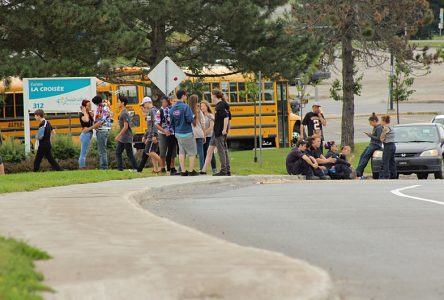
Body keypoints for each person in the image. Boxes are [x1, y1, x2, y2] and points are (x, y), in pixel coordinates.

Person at [169, 90, 198, 176]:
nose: (186, 97)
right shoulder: (186, 107)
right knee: (192, 152)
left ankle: (183, 171)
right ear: (183, 96)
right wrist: (193, 117)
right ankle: (191, 171)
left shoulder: (172, 108)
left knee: (181, 151)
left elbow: (172, 123)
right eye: (185, 96)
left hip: (177, 133)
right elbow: (189, 119)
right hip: (187, 132)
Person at [137, 97, 162, 173]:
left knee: (149, 151)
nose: (144, 106)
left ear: (148, 102)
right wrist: (145, 135)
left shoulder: (153, 111)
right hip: (150, 134)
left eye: (144, 104)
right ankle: (156, 169)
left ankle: (164, 164)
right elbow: (149, 126)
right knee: (152, 152)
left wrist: (154, 135)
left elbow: (155, 123)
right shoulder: (150, 111)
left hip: (153, 135)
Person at [355, 113, 383, 178]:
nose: (370, 124)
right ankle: (360, 171)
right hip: (372, 144)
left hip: (375, 145)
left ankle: (358, 171)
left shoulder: (379, 128)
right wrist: (371, 135)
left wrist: (370, 135)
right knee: (362, 155)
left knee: (365, 157)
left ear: (374, 121)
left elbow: (379, 138)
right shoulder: (375, 127)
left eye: (370, 123)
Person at [114, 95, 138, 171]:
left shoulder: (124, 113)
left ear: (123, 103)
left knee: (129, 153)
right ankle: (121, 169)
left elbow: (126, 126)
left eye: (118, 102)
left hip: (126, 137)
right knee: (118, 152)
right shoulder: (123, 112)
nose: (117, 103)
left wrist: (118, 135)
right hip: (123, 137)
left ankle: (136, 168)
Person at [211, 89, 231, 176]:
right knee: (224, 150)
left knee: (221, 151)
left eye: (211, 95)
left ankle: (223, 170)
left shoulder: (220, 106)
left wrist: (224, 129)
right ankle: (227, 169)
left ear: (215, 96)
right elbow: (228, 118)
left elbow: (226, 117)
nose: (211, 97)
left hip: (219, 131)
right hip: (222, 131)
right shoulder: (224, 105)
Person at [154, 96, 177, 173]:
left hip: (172, 132)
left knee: (173, 150)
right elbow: (157, 124)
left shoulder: (171, 110)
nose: (164, 104)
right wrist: (164, 130)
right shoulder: (159, 111)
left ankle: (172, 166)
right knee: (162, 150)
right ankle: (162, 167)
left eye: (166, 102)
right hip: (162, 133)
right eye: (163, 102)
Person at [92, 95, 112, 170]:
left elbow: (102, 120)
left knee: (102, 151)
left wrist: (92, 127)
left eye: (96, 104)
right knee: (101, 150)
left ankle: (104, 167)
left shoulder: (105, 108)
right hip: (100, 130)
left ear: (97, 103)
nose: (96, 105)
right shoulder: (100, 107)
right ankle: (103, 166)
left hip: (103, 130)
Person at [189, 95, 206, 173]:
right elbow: (203, 123)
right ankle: (202, 168)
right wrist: (204, 134)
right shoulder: (199, 111)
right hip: (199, 133)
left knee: (187, 151)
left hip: (190, 133)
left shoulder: (188, 110)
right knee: (200, 151)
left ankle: (182, 168)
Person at [78, 100, 97, 169]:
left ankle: (82, 166)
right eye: (88, 105)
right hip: (85, 134)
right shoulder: (82, 114)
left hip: (88, 134)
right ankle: (82, 167)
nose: (90, 107)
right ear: (84, 107)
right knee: (83, 152)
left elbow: (91, 122)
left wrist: (91, 114)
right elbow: (87, 120)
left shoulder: (88, 114)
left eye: (90, 105)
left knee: (85, 152)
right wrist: (84, 111)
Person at [201, 100, 217, 174]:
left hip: (209, 136)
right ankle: (204, 169)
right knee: (203, 152)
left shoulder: (210, 116)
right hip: (202, 137)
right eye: (201, 106)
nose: (202, 108)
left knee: (210, 153)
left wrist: (204, 134)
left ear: (207, 107)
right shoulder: (201, 116)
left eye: (203, 106)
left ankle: (214, 168)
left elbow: (211, 128)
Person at [379, 115, 397, 180]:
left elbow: (381, 139)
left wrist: (382, 133)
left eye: (381, 120)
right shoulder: (391, 128)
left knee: (385, 161)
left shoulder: (385, 128)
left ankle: (386, 175)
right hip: (393, 145)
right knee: (392, 161)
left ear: (384, 121)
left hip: (388, 146)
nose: (380, 122)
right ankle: (394, 174)